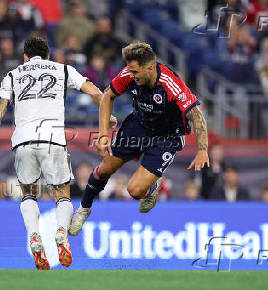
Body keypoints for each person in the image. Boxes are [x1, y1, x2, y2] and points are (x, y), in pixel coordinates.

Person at [0, 36, 116, 270]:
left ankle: (34, 236)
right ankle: (60, 233)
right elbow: (98, 93)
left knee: (28, 194)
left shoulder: (12, 75)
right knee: (63, 195)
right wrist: (106, 118)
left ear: (25, 57)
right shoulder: (63, 69)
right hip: (53, 139)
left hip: (23, 141)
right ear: (48, 55)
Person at [69, 41, 210, 236]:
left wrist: (202, 150)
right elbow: (108, 95)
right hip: (140, 125)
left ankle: (153, 184)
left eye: (135, 72)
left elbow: (196, 115)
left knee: (134, 191)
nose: (131, 76)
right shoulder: (129, 73)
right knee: (105, 168)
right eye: (130, 70)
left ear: (150, 68)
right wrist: (102, 135)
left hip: (167, 136)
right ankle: (84, 208)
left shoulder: (170, 84)